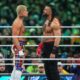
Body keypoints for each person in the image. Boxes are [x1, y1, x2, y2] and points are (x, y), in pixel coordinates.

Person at [37, 4, 61, 80]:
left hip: (51, 47)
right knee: (47, 69)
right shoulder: (47, 20)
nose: (44, 11)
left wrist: (54, 51)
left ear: (50, 12)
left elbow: (58, 37)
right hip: (45, 46)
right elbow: (44, 34)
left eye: (46, 10)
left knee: (53, 69)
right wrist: (40, 46)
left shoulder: (55, 21)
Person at [10, 5, 28, 80]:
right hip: (18, 45)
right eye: (25, 10)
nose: (27, 12)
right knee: (19, 67)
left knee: (17, 66)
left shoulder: (20, 21)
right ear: (21, 12)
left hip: (20, 45)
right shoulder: (17, 22)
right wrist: (20, 50)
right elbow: (14, 37)